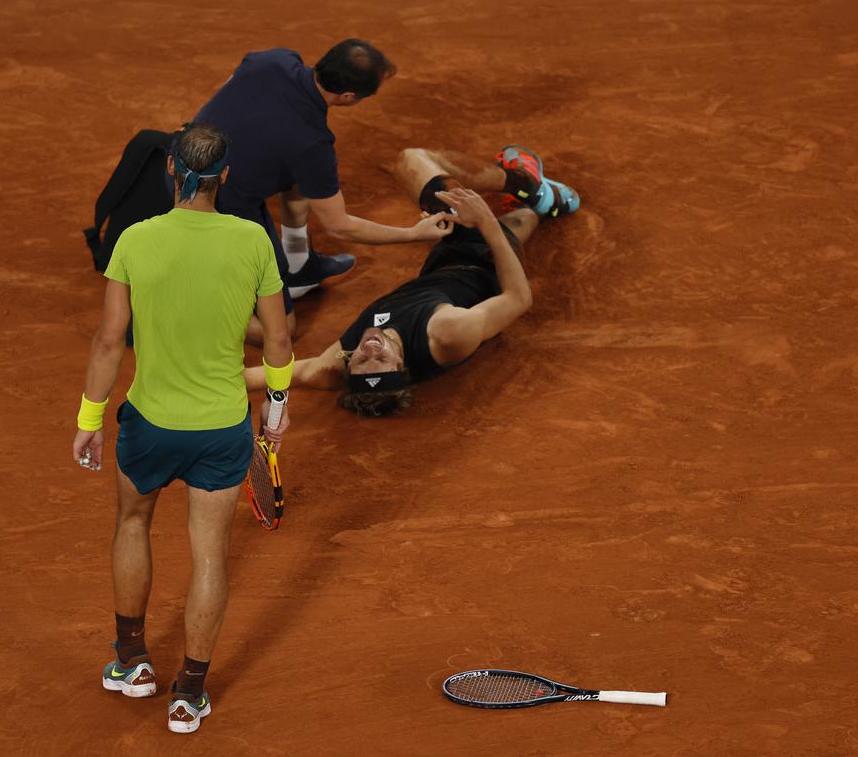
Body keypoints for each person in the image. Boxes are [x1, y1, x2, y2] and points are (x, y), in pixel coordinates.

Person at [71, 123, 296, 734]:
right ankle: (188, 695)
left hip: (148, 425)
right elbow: (277, 338)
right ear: (225, 176)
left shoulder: (135, 241)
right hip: (223, 430)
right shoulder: (252, 240)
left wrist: (90, 419)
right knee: (209, 556)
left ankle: (132, 662)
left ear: (172, 170)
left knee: (133, 521)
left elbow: (109, 339)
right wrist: (275, 413)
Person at [243, 145, 580, 416]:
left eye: (362, 360)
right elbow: (518, 298)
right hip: (485, 261)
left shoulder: (335, 364)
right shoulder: (447, 333)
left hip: (439, 267)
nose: (370, 349)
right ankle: (527, 184)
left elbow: (270, 376)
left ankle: (541, 204)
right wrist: (485, 220)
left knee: (519, 218)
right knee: (413, 160)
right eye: (381, 358)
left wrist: (196, 384)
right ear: (402, 362)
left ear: (349, 365)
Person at [191, 39, 453, 341]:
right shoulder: (312, 144)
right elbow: (339, 227)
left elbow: (229, 86)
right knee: (279, 330)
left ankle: (298, 265)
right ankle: (177, 308)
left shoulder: (275, 60)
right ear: (347, 96)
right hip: (211, 207)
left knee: (299, 180)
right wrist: (414, 234)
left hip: (181, 159)